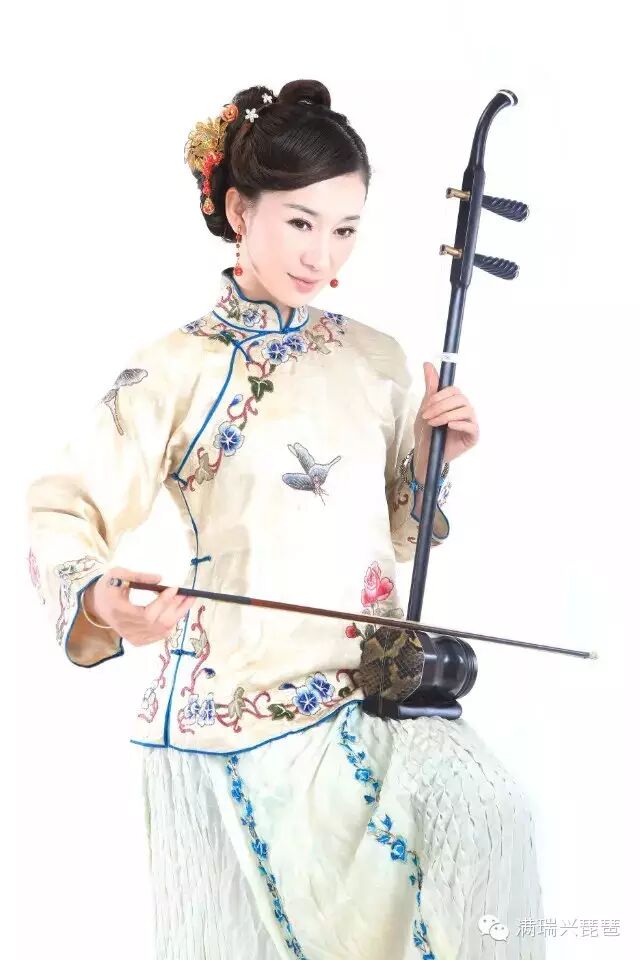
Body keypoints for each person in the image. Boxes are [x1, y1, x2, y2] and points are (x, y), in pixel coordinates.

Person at [25, 79, 544, 960]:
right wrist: (104, 598)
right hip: (234, 708)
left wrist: (431, 469)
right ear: (239, 209)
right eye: (301, 222)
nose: (321, 255)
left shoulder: (377, 360)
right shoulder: (179, 367)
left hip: (369, 693)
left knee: (490, 813)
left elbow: (397, 537)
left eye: (344, 230)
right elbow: (62, 501)